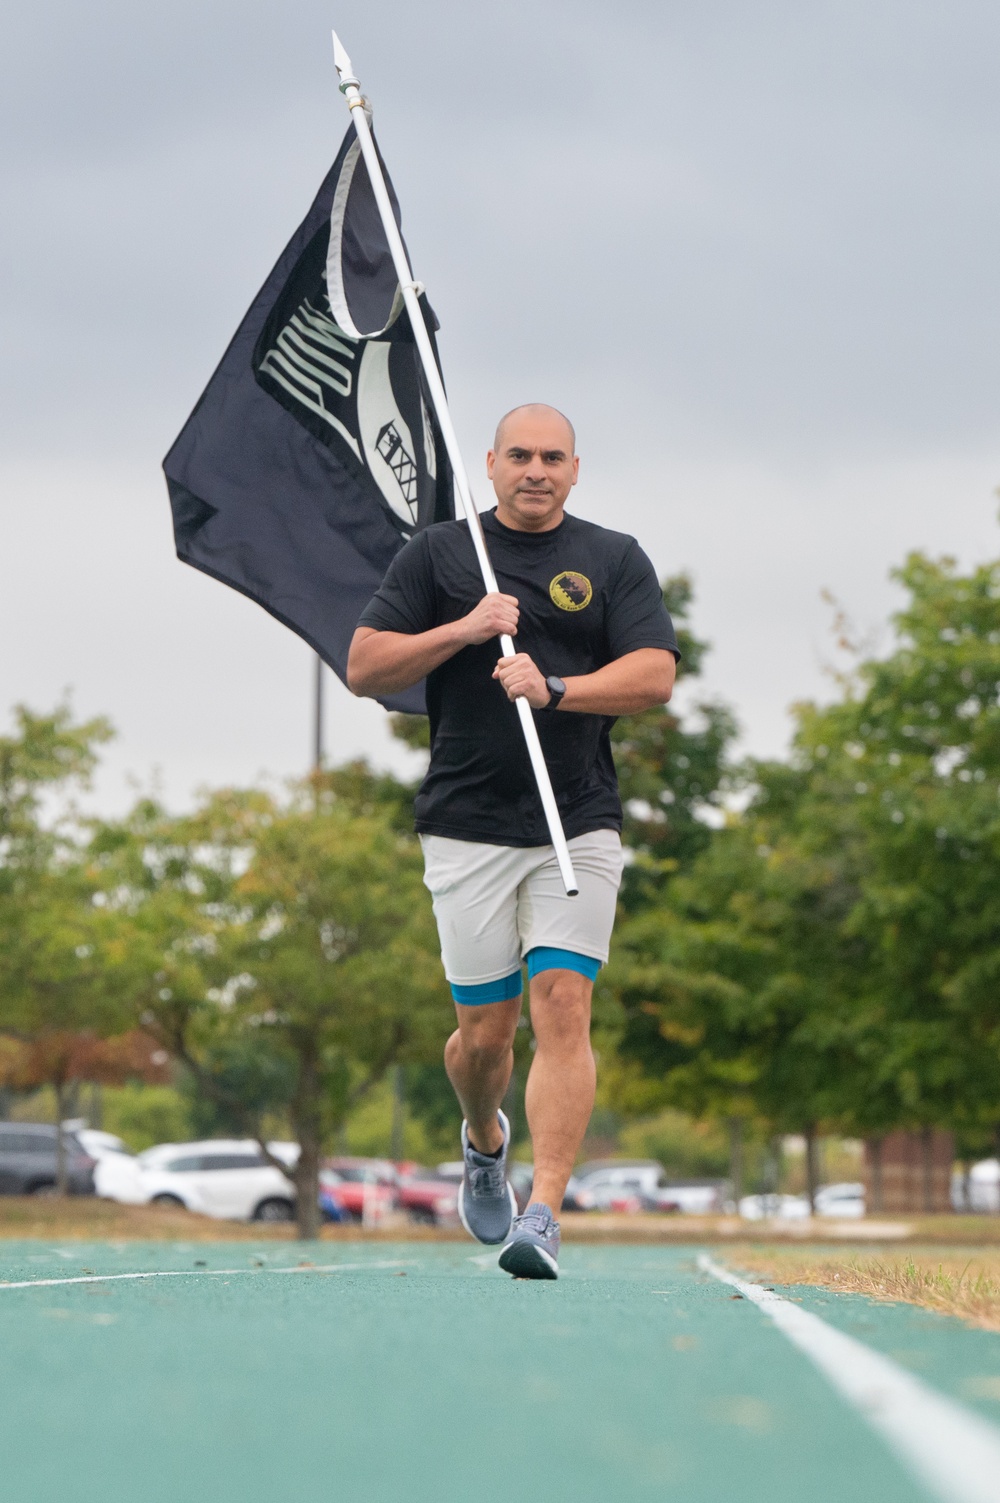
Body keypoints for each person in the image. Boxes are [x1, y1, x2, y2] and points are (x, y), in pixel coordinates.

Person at [347, 404, 679, 1279]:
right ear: (490, 464)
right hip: (466, 827)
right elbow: (364, 666)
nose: (536, 470)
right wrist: (463, 627)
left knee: (562, 1006)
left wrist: (557, 684)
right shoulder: (440, 555)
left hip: (577, 820)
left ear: (576, 470)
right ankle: (485, 1137)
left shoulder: (614, 558)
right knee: (484, 1038)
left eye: (553, 457)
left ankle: (545, 1213)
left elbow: (654, 675)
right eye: (520, 455)